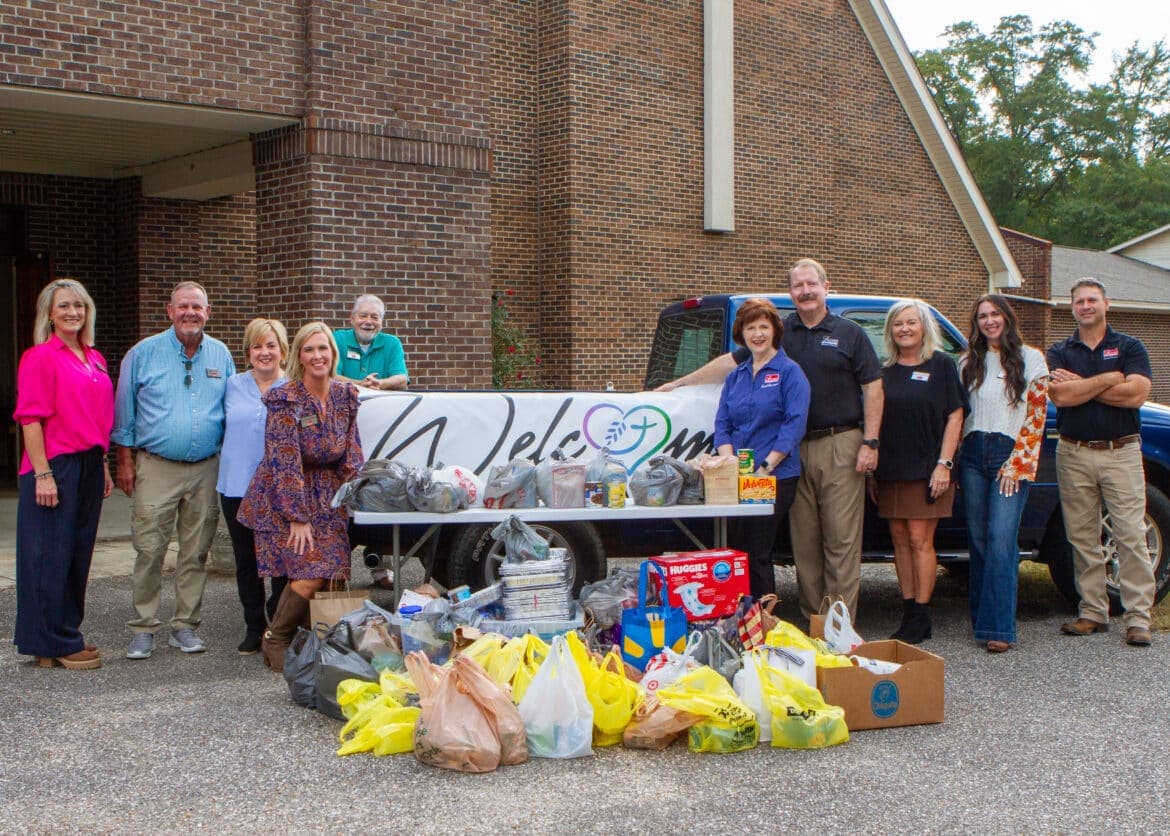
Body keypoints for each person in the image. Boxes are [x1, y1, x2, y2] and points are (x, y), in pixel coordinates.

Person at [658, 259, 883, 621]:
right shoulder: (782, 332)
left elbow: (873, 387)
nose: (805, 291)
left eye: (812, 284)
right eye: (798, 286)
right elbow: (731, 364)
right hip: (792, 455)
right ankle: (814, 625)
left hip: (837, 443)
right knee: (804, 544)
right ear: (790, 292)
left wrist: (870, 442)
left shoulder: (849, 333)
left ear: (827, 287)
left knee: (840, 542)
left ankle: (839, 628)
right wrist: (681, 382)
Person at [113, 281, 235, 659]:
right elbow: (124, 413)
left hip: (205, 469)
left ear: (208, 313)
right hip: (156, 466)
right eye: (183, 306)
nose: (190, 313)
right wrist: (124, 460)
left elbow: (233, 410)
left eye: (197, 307)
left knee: (195, 552)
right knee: (149, 549)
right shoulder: (143, 354)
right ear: (170, 311)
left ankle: (185, 626)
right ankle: (143, 626)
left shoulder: (221, 355)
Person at [238, 322, 364, 671]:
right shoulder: (285, 400)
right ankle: (275, 637)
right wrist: (298, 515)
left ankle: (312, 643)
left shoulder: (345, 396)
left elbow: (352, 452)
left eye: (323, 348)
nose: (317, 356)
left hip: (329, 497)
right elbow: (284, 461)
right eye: (309, 350)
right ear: (298, 357)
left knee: (334, 569)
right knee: (309, 569)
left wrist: (356, 491)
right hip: (284, 495)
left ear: (333, 354)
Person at [1047, 278, 1155, 647]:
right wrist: (1109, 379)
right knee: (1082, 536)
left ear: (1106, 303)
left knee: (1130, 534)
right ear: (1072, 306)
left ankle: (1138, 617)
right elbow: (1060, 395)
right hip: (1074, 452)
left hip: (1120, 451)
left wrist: (1083, 385)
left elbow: (1137, 394)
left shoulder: (1130, 346)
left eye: (1092, 299)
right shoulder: (1060, 351)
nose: (1086, 306)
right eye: (1079, 301)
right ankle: (1092, 611)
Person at [13, 279, 114, 670]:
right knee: (46, 556)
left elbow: (97, 418)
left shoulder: (94, 357)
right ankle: (48, 640)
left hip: (89, 462)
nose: (73, 312)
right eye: (65, 306)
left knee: (76, 553)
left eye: (79, 306)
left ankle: (65, 632)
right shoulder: (40, 357)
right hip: (54, 464)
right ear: (49, 314)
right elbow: (31, 418)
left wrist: (102, 463)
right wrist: (42, 474)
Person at [871, 299, 966, 644]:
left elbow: (956, 416)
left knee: (919, 539)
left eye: (911, 322)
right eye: (898, 324)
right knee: (899, 540)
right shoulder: (884, 371)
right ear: (890, 331)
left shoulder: (941, 365)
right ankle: (908, 609)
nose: (905, 329)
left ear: (924, 327)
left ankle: (923, 615)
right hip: (891, 469)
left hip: (929, 468)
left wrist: (945, 464)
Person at [959, 295, 1049, 653]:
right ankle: (982, 618)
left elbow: (1037, 416)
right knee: (979, 540)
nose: (989, 320)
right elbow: (959, 416)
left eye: (995, 313)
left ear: (1007, 317)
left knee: (1000, 540)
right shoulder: (968, 361)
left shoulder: (1032, 358)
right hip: (972, 455)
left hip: (1008, 455)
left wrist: (1017, 463)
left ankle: (999, 627)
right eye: (982, 315)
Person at [713, 298, 810, 600]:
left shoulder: (790, 373)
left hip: (774, 476)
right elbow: (722, 422)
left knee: (756, 550)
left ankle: (764, 621)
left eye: (763, 327)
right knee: (737, 550)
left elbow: (794, 426)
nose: (757, 334)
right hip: (738, 477)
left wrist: (766, 466)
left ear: (775, 331)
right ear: (741, 333)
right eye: (750, 327)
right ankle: (740, 618)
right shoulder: (736, 376)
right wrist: (728, 460)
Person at [217, 318, 291, 654]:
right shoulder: (231, 385)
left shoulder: (294, 388)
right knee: (246, 560)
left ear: (283, 351)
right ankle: (253, 626)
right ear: (248, 352)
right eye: (258, 346)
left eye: (271, 345)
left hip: (279, 489)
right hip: (236, 486)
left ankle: (277, 626)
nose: (265, 352)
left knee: (280, 561)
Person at [334, 294, 409, 391]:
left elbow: (402, 380)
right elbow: (331, 377)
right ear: (352, 319)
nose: (368, 321)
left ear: (381, 321)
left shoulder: (392, 343)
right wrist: (360, 385)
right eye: (363, 316)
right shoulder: (338, 339)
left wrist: (378, 383)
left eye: (374, 317)